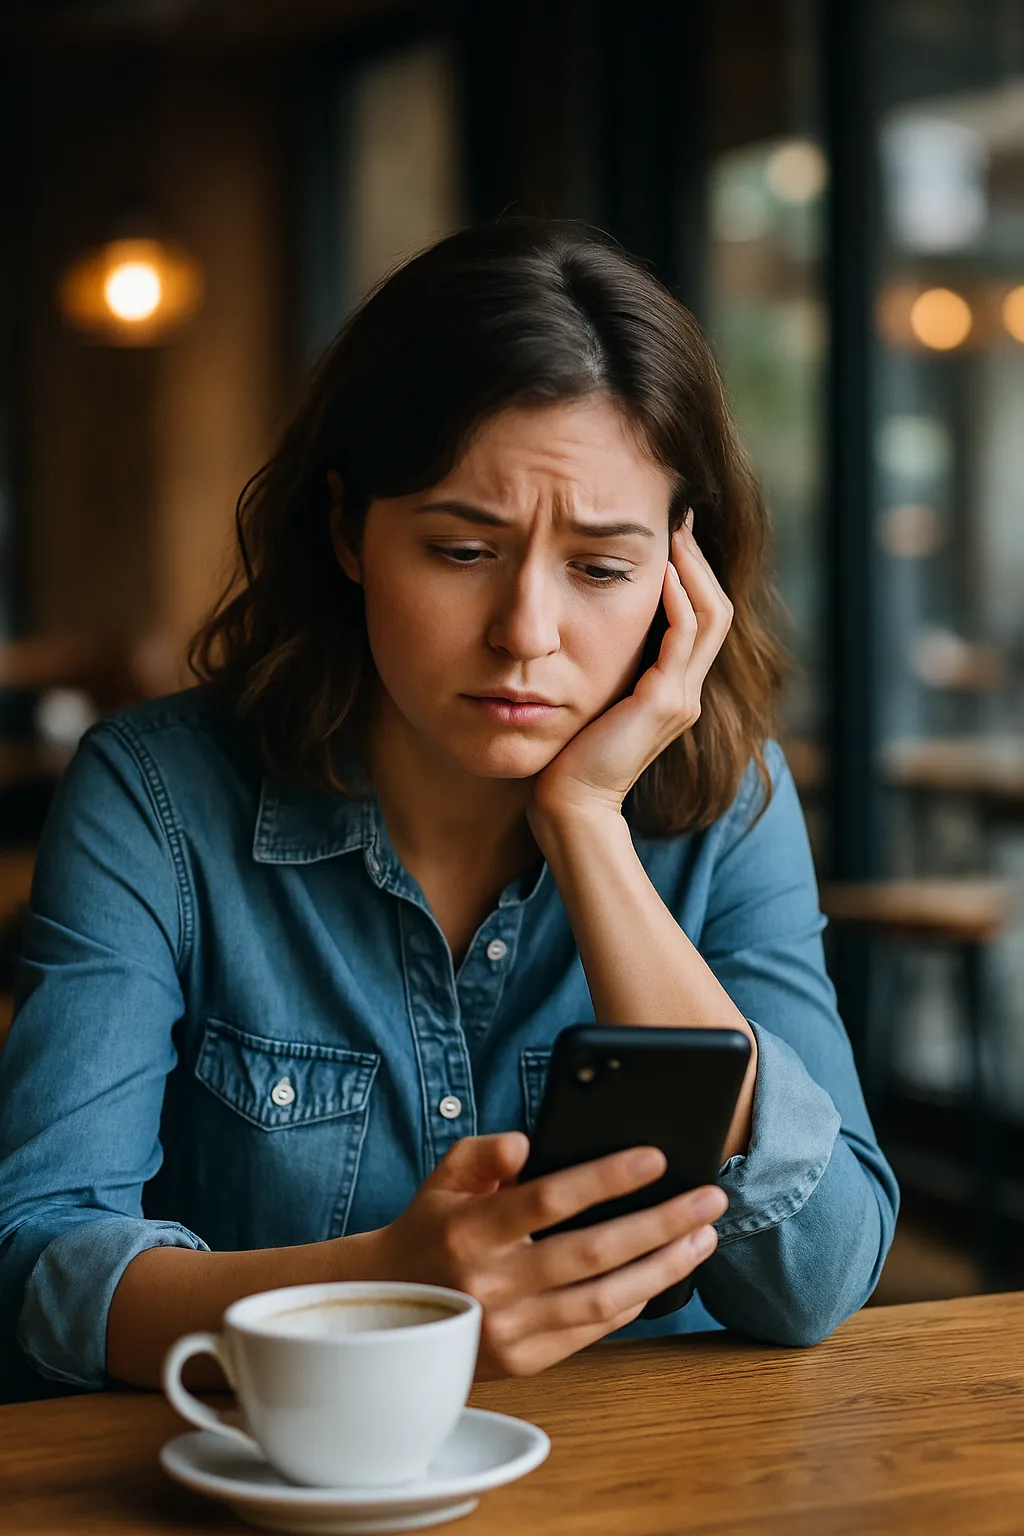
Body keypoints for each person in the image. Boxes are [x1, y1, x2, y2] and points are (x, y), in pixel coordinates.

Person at [0, 218, 898, 1403]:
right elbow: (38, 1263)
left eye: (601, 568)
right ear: (347, 531)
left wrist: (586, 826)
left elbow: (816, 1277)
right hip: (283, 1474)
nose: (526, 633)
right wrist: (379, 1295)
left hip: (649, 1477)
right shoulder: (157, 798)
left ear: (683, 582)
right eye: (463, 550)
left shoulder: (729, 802)